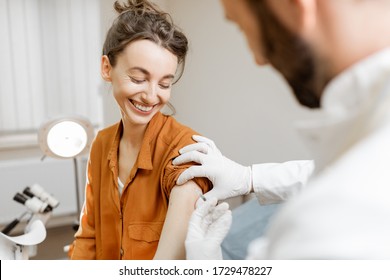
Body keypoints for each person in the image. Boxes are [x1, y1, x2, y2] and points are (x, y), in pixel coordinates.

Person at [184, 0, 390, 259]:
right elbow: (334, 170)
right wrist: (248, 178)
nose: (259, 58)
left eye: (243, 27)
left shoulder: (331, 225)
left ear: (296, 6)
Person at [70, 0, 212, 260]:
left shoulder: (186, 147)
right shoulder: (101, 144)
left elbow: (167, 265)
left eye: (164, 83)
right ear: (106, 68)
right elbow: (89, 236)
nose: (151, 96)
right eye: (138, 79)